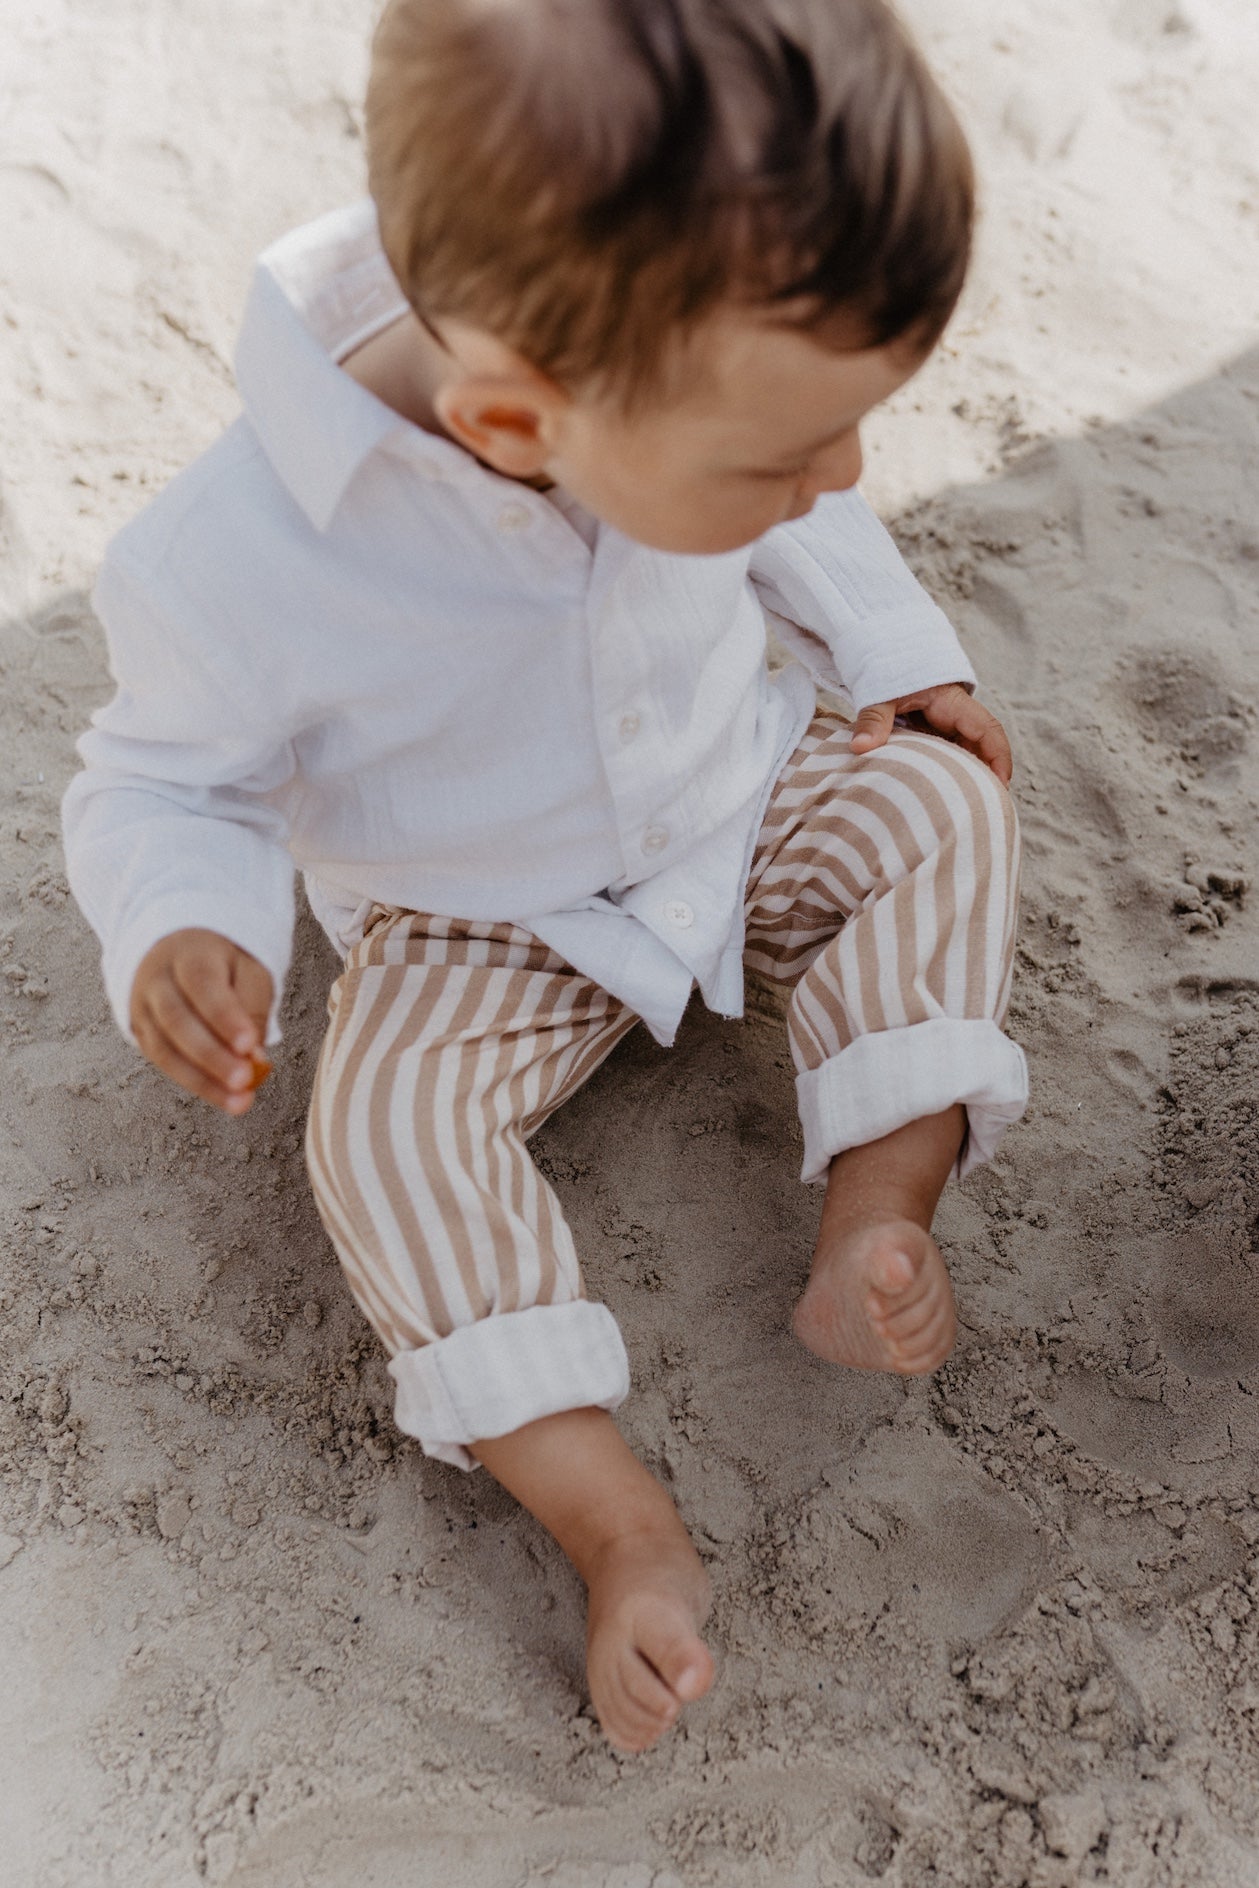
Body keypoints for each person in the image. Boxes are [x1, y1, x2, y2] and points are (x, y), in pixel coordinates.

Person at [62, 0, 1027, 1754]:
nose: (846, 471)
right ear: (515, 418)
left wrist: (891, 644)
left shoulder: (690, 364)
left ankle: (876, 1208)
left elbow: (809, 509)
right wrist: (182, 923)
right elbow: (156, 781)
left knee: (943, 806)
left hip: (734, 784)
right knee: (379, 1132)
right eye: (785, 454)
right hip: (479, 920)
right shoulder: (235, 562)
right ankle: (614, 1523)